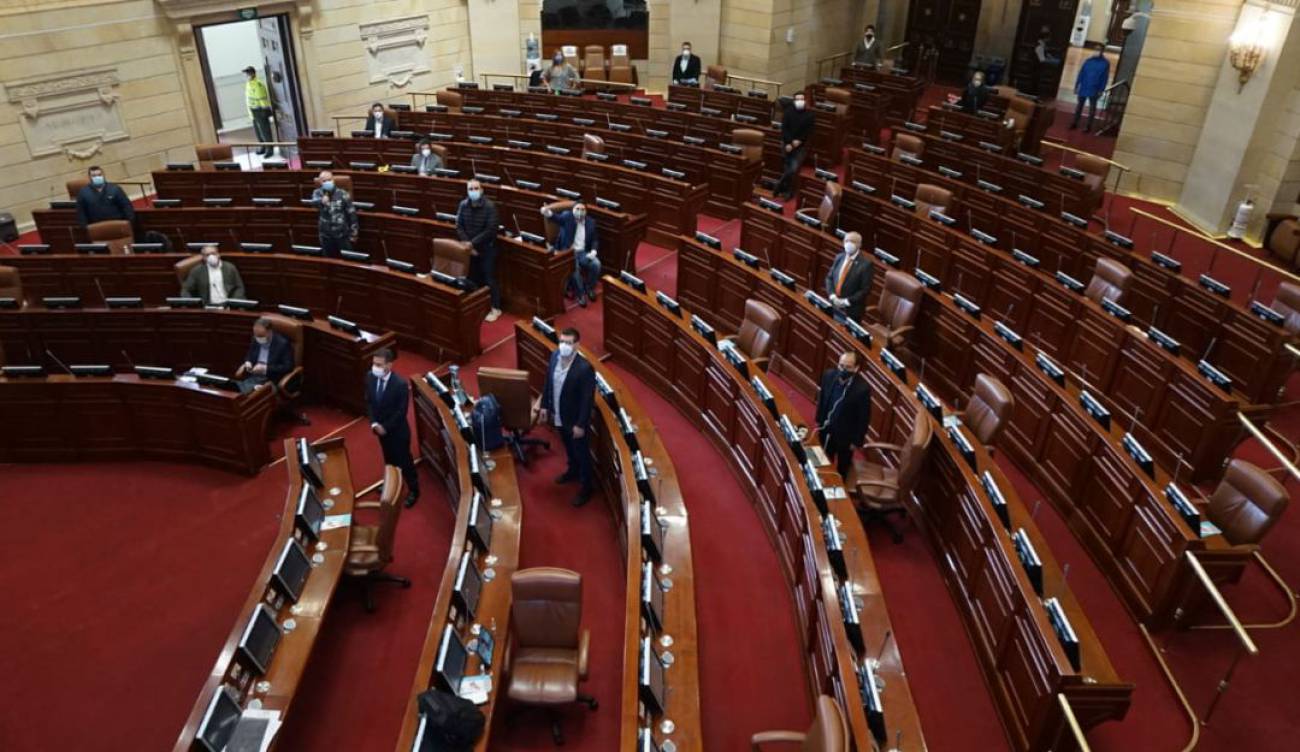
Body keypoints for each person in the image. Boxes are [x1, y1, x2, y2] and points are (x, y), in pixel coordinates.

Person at [538, 327, 596, 507]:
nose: (564, 345)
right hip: (558, 414)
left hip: (574, 420)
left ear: (576, 345)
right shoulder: (554, 356)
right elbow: (548, 382)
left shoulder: (584, 368)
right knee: (568, 447)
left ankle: (587, 487)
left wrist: (581, 424)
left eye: (568, 343)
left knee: (582, 452)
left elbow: (587, 400)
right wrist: (545, 406)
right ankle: (573, 471)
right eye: (562, 341)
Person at [366, 349, 420, 507]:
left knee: (405, 461)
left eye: (379, 364)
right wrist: (374, 423)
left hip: (397, 432)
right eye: (374, 364)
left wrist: (385, 427)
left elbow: (401, 412)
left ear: (389, 365)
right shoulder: (370, 377)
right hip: (380, 431)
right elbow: (369, 402)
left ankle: (414, 490)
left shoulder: (400, 385)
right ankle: (391, 483)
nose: (375, 367)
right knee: (388, 459)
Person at [815, 350, 872, 479]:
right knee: (823, 462)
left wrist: (856, 442)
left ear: (856, 368)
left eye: (848, 367)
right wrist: (819, 421)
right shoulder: (829, 376)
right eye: (841, 365)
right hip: (826, 429)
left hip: (846, 437)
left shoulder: (862, 389)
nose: (843, 370)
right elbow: (822, 399)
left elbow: (864, 417)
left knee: (842, 469)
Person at [456, 179, 502, 322]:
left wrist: (472, 244)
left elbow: (491, 230)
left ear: (481, 190)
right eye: (470, 189)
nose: (473, 191)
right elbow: (459, 226)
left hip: (487, 248)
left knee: (489, 278)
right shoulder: (463, 205)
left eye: (476, 188)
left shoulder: (490, 206)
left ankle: (495, 308)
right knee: (472, 278)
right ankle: (477, 306)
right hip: (470, 249)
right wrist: (468, 244)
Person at [542, 201, 600, 307]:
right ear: (572, 210)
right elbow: (555, 218)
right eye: (577, 209)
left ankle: (589, 288)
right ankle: (580, 294)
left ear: (586, 211)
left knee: (596, 264)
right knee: (574, 268)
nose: (580, 212)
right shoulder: (567, 217)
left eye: (582, 209)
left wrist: (593, 251)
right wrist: (547, 212)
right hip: (569, 253)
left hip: (583, 252)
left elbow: (595, 239)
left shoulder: (591, 222)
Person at [773, 91, 815, 200]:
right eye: (797, 99)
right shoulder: (788, 112)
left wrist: (799, 141)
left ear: (805, 101)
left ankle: (779, 186)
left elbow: (808, 131)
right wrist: (789, 143)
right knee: (787, 167)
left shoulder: (810, 115)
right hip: (786, 144)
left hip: (800, 146)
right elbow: (784, 129)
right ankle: (787, 191)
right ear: (794, 101)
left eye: (802, 99)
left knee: (793, 169)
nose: (799, 101)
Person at [236, 316, 294, 393]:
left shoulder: (282, 344)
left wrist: (265, 368)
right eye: (256, 335)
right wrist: (248, 362)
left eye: (261, 336)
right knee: (236, 391)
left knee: (253, 396)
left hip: (272, 380)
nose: (258, 339)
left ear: (269, 331)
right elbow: (249, 355)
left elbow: (288, 367)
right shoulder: (256, 339)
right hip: (255, 378)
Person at [824, 231, 872, 321]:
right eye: (846, 241)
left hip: (851, 310)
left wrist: (846, 301)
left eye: (853, 241)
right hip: (833, 303)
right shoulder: (839, 257)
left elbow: (865, 290)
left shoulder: (866, 265)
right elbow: (829, 278)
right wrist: (832, 295)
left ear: (860, 245)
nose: (849, 244)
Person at [311, 171, 358, 258]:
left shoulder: (343, 193)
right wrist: (322, 201)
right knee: (329, 260)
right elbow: (313, 202)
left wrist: (354, 233)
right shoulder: (317, 193)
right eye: (324, 181)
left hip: (342, 234)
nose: (327, 182)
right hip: (325, 235)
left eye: (329, 180)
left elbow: (352, 214)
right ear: (320, 182)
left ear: (333, 180)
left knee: (347, 259)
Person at [181, 244, 245, 306]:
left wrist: (233, 303)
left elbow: (239, 287)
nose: (211, 257)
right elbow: (186, 289)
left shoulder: (230, 268)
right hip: (207, 306)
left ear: (218, 254)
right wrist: (192, 304)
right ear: (203, 257)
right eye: (207, 255)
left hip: (228, 305)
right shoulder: (197, 271)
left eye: (213, 253)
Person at [1071, 48, 1110, 132]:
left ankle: (1088, 126)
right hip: (1084, 86)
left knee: (1092, 108)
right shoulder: (1088, 61)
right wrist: (1077, 85)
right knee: (1079, 106)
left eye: (1097, 50)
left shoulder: (1105, 63)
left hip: (1095, 88)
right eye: (1095, 50)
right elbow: (1081, 73)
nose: (1095, 52)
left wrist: (1101, 90)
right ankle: (1075, 123)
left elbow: (1104, 78)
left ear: (1101, 52)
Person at [243, 66, 274, 157]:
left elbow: (263, 99)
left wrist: (266, 111)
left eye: (248, 73)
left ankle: (269, 149)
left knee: (265, 132)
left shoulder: (258, 84)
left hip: (260, 111)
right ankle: (263, 147)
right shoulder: (249, 84)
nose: (247, 75)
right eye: (246, 74)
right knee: (258, 132)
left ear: (253, 74)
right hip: (253, 111)